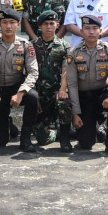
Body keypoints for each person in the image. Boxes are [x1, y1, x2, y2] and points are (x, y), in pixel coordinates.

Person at [65, 14, 108, 154]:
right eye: (87, 28)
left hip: (102, 95)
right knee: (86, 144)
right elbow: (72, 85)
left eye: (94, 28)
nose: (91, 32)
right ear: (81, 31)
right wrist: (75, 113)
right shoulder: (73, 53)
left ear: (100, 31)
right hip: (84, 99)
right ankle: (97, 127)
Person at [0, 9, 40, 153]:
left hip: (16, 88)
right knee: (1, 141)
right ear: (0, 24)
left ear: (18, 25)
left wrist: (21, 92)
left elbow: (33, 72)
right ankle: (6, 124)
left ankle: (26, 138)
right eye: (4, 22)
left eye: (12, 23)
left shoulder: (26, 45)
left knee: (33, 97)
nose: (8, 26)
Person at [30, 11, 72, 151]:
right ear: (40, 26)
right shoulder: (31, 46)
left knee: (64, 101)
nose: (49, 27)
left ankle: (65, 138)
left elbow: (66, 69)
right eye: (45, 24)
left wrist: (62, 89)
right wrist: (34, 97)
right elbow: (27, 71)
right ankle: (55, 132)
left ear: (57, 25)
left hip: (56, 92)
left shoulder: (65, 46)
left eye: (52, 24)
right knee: (42, 139)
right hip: (40, 94)